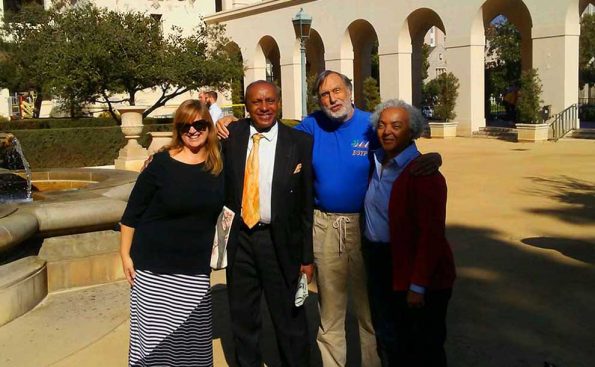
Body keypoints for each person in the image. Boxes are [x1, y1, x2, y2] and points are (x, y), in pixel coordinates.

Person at [218, 70, 441, 367]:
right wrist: (226, 121)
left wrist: (427, 157)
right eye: (324, 94)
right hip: (323, 225)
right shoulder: (310, 127)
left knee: (369, 314)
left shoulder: (371, 126)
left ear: (350, 91)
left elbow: (397, 144)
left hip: (362, 228)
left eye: (337, 91)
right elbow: (272, 129)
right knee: (330, 314)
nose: (332, 98)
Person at [119, 99, 224, 367]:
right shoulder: (160, 164)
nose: (192, 130)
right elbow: (132, 214)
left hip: (195, 270)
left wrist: (231, 121)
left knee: (193, 343)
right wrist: (124, 255)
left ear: (208, 127)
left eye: (199, 124)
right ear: (178, 128)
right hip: (154, 269)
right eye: (185, 125)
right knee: (156, 344)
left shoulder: (218, 166)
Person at [222, 80, 314, 367]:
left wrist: (306, 257)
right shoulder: (230, 136)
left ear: (279, 102)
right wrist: (158, 156)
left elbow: (305, 205)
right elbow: (191, 144)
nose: (264, 107)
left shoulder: (299, 142)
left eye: (270, 101)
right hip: (241, 242)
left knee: (289, 318)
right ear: (246, 106)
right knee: (243, 318)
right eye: (257, 102)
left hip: (280, 242)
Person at [365, 99, 456, 367]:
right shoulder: (377, 161)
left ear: (412, 131)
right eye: (381, 125)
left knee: (423, 347)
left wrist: (418, 286)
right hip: (381, 263)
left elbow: (432, 235)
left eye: (396, 126)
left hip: (416, 271)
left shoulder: (423, 174)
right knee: (390, 339)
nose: (387, 131)